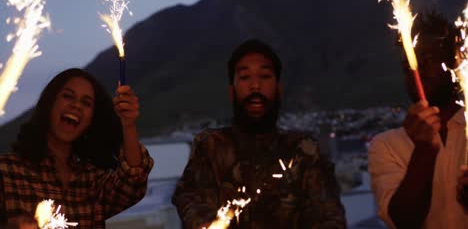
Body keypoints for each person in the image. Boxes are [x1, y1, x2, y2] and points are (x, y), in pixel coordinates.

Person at [172, 39, 346, 228]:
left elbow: (329, 216)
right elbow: (190, 199)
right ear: (232, 91)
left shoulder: (304, 152)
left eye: (264, 76)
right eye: (245, 77)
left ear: (278, 89)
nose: (255, 86)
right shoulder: (211, 147)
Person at [0, 68, 153, 228]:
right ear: (50, 103)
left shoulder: (93, 180)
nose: (76, 106)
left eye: (86, 103)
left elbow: (132, 180)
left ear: (91, 120)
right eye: (68, 96)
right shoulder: (7, 172)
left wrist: (128, 124)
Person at [368, 13, 468, 228]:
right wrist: (424, 150)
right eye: (409, 64)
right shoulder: (386, 145)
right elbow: (403, 220)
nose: (416, 69)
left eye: (428, 59)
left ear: (453, 64)